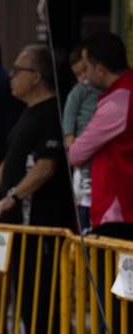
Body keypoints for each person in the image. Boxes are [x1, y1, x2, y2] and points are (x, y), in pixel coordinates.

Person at [0, 44, 73, 334]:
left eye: (18, 70)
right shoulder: (27, 113)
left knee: (43, 283)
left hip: (43, 217)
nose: (12, 77)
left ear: (36, 77)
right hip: (19, 224)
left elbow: (45, 167)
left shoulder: (53, 113)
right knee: (24, 283)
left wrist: (12, 196)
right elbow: (8, 165)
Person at [69, 32, 133, 241]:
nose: (85, 76)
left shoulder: (118, 101)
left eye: (86, 68)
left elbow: (76, 153)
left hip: (118, 209)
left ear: (101, 69)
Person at [63, 45, 99, 232]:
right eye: (78, 74)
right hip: (83, 155)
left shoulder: (105, 91)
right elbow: (68, 124)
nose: (83, 78)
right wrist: (73, 150)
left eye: (85, 70)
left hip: (99, 151)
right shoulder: (78, 93)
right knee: (85, 193)